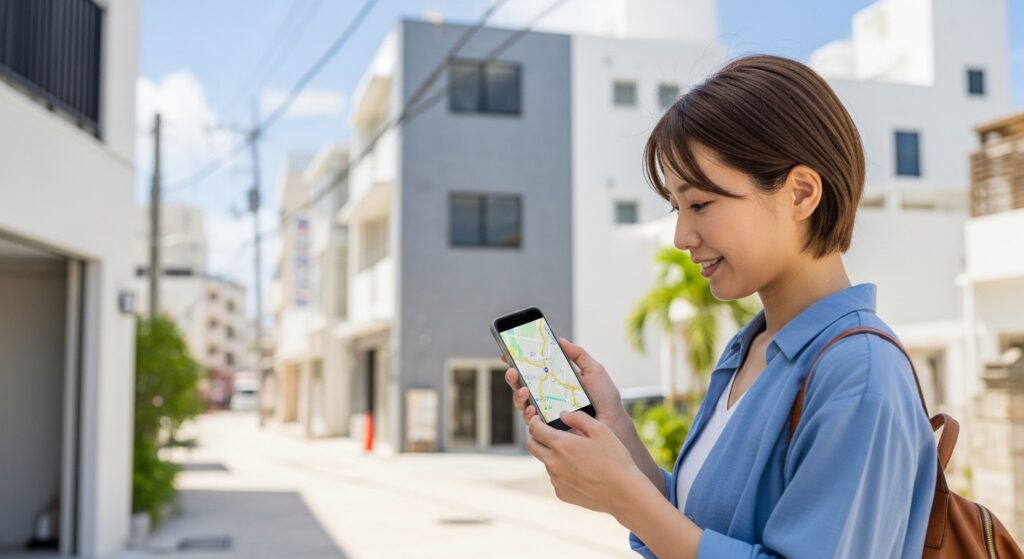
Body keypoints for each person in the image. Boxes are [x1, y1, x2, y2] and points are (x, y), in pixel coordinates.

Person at [503, 55, 937, 558]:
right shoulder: (750, 348)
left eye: (701, 204)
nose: (683, 236)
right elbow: (700, 530)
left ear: (800, 194)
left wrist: (625, 497)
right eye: (677, 208)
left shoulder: (858, 374)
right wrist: (618, 433)